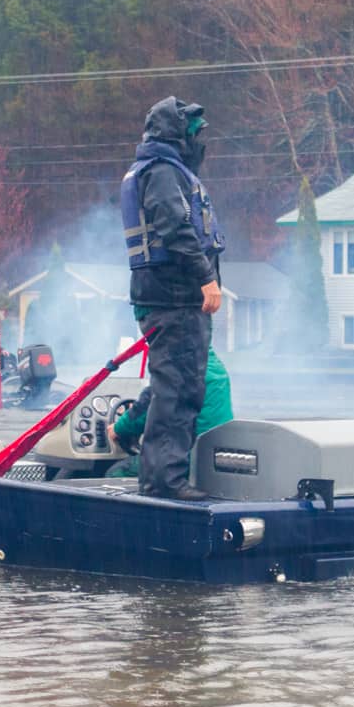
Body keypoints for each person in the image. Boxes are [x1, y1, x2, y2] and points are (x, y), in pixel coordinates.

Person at [120, 96, 225, 500]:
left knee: (182, 385)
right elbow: (176, 227)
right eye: (193, 133)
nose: (199, 141)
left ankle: (166, 477)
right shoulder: (162, 173)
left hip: (169, 299)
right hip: (174, 299)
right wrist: (206, 278)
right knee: (177, 388)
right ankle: (164, 482)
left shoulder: (159, 170)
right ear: (175, 134)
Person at [106, 347, 232, 479]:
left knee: (116, 473)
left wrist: (118, 428)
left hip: (186, 456)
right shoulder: (215, 367)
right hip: (215, 455)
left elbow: (150, 404)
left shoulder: (180, 364)